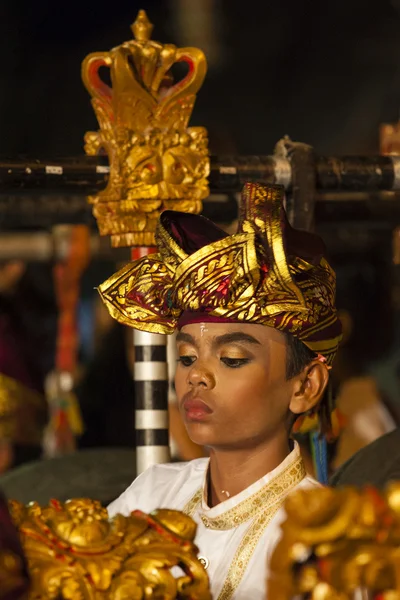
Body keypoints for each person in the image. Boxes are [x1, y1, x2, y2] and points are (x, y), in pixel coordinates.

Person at [99, 182, 342, 600]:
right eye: (188, 358)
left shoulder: (320, 537)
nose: (197, 377)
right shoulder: (153, 493)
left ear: (305, 386)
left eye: (231, 359)